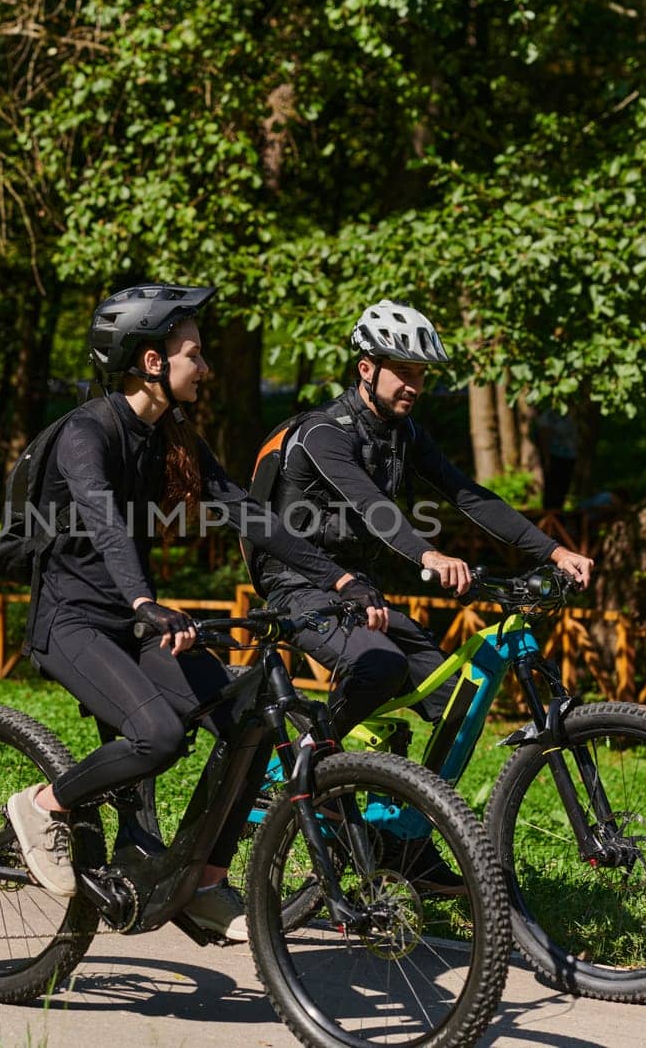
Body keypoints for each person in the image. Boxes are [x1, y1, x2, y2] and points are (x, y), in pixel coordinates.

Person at [6, 284, 387, 941]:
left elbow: (249, 513)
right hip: (73, 622)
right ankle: (42, 805)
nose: (206, 368)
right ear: (152, 361)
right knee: (159, 734)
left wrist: (341, 576)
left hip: (135, 621)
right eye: (195, 354)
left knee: (252, 718)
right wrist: (143, 600)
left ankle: (205, 879)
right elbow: (104, 524)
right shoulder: (84, 433)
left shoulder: (171, 436)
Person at [246, 300, 594, 877]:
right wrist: (428, 552)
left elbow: (467, 494)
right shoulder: (320, 434)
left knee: (448, 693)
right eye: (403, 370)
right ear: (366, 368)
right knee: (380, 664)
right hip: (298, 584)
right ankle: (304, 764)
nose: (414, 384)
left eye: (421, 373)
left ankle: (404, 842)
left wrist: (552, 550)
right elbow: (371, 505)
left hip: (361, 593)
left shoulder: (403, 433)